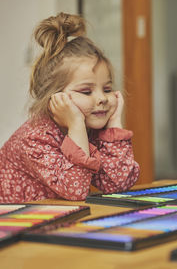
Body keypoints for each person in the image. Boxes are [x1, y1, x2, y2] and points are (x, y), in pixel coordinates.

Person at [0, 12, 140, 203]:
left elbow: (118, 183)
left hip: (55, 218)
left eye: (107, 89)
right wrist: (75, 126)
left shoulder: (90, 127)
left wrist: (114, 122)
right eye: (86, 91)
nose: (102, 98)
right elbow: (76, 191)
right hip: (13, 224)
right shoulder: (35, 138)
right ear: (55, 97)